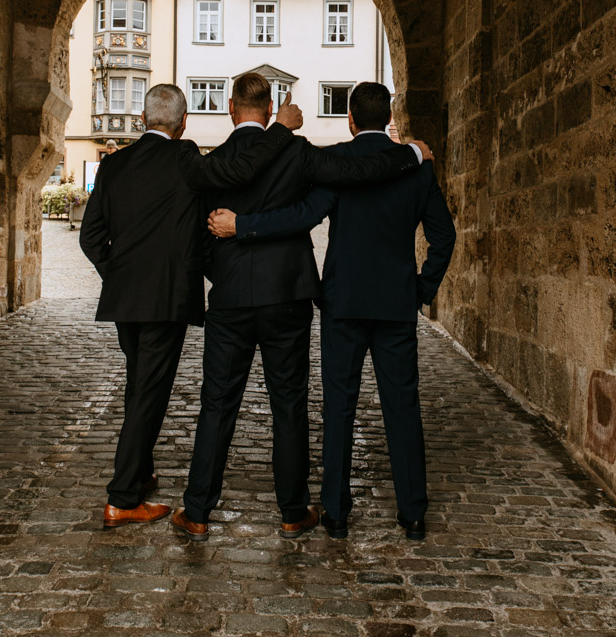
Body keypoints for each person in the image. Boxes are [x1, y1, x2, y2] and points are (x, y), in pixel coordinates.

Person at [170, 72, 433, 542]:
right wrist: (411, 153)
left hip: (230, 299)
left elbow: (195, 234)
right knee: (289, 405)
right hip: (287, 297)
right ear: (271, 109)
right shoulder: (296, 151)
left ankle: (196, 511)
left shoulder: (209, 163)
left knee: (216, 405)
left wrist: (222, 272)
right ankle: (293, 512)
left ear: (231, 108)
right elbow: (357, 173)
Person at [79, 82, 302, 529]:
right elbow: (241, 170)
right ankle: (122, 498)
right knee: (149, 393)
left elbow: (90, 237)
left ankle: (139, 476)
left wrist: (122, 277)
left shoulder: (113, 164)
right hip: (166, 298)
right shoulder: (186, 161)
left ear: (143, 120)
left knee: (139, 386)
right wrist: (279, 129)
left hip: (126, 299)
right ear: (184, 124)